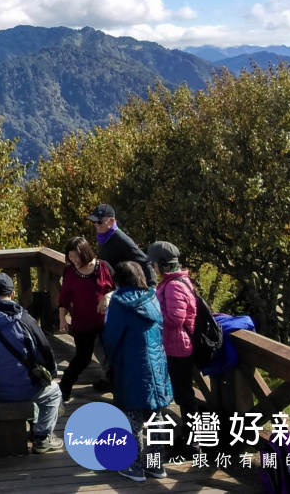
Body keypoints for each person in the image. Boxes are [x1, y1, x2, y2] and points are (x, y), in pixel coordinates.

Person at [0, 272, 63, 454]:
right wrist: (51, 373)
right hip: (22, 389)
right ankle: (42, 438)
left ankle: (33, 423)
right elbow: (44, 351)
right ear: (12, 294)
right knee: (53, 392)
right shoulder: (25, 319)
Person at [103, 261, 172, 482]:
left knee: (131, 415)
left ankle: (133, 466)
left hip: (130, 364)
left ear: (119, 280)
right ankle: (156, 465)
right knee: (156, 415)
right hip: (156, 364)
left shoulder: (119, 302)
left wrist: (109, 362)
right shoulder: (153, 297)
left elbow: (111, 336)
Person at [57, 236, 114, 402]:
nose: (73, 260)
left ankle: (117, 389)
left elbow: (118, 289)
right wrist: (62, 319)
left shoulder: (103, 266)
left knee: (112, 356)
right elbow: (64, 298)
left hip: (106, 321)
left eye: (76, 256)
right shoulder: (70, 271)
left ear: (85, 253)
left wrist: (107, 296)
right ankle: (64, 388)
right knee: (83, 358)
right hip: (82, 322)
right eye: (70, 256)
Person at [147, 240, 200, 417]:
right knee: (183, 394)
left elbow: (176, 319)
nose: (152, 267)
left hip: (179, 348)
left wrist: (153, 312)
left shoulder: (173, 285)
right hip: (177, 345)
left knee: (184, 395)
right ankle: (190, 435)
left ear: (162, 263)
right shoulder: (178, 280)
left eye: (153, 262)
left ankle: (194, 440)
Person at [87, 203, 156, 286]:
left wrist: (152, 287)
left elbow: (145, 262)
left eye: (99, 221)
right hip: (113, 287)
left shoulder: (121, 239)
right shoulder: (102, 236)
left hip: (127, 290)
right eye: (93, 221)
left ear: (112, 221)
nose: (96, 224)